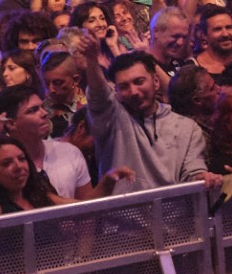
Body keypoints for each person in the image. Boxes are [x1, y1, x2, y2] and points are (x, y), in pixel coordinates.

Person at [79, 43, 221, 192]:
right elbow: (98, 94)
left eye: (139, 82)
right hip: (122, 214)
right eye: (124, 87)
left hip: (174, 213)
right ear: (117, 92)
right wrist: (92, 61)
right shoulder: (111, 120)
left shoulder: (187, 127)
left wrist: (202, 178)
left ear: (156, 82)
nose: (133, 91)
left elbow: (193, 172)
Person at [0, 137, 68, 213]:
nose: (18, 166)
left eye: (21, 159)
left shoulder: (38, 194)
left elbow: (73, 206)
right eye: (7, 163)